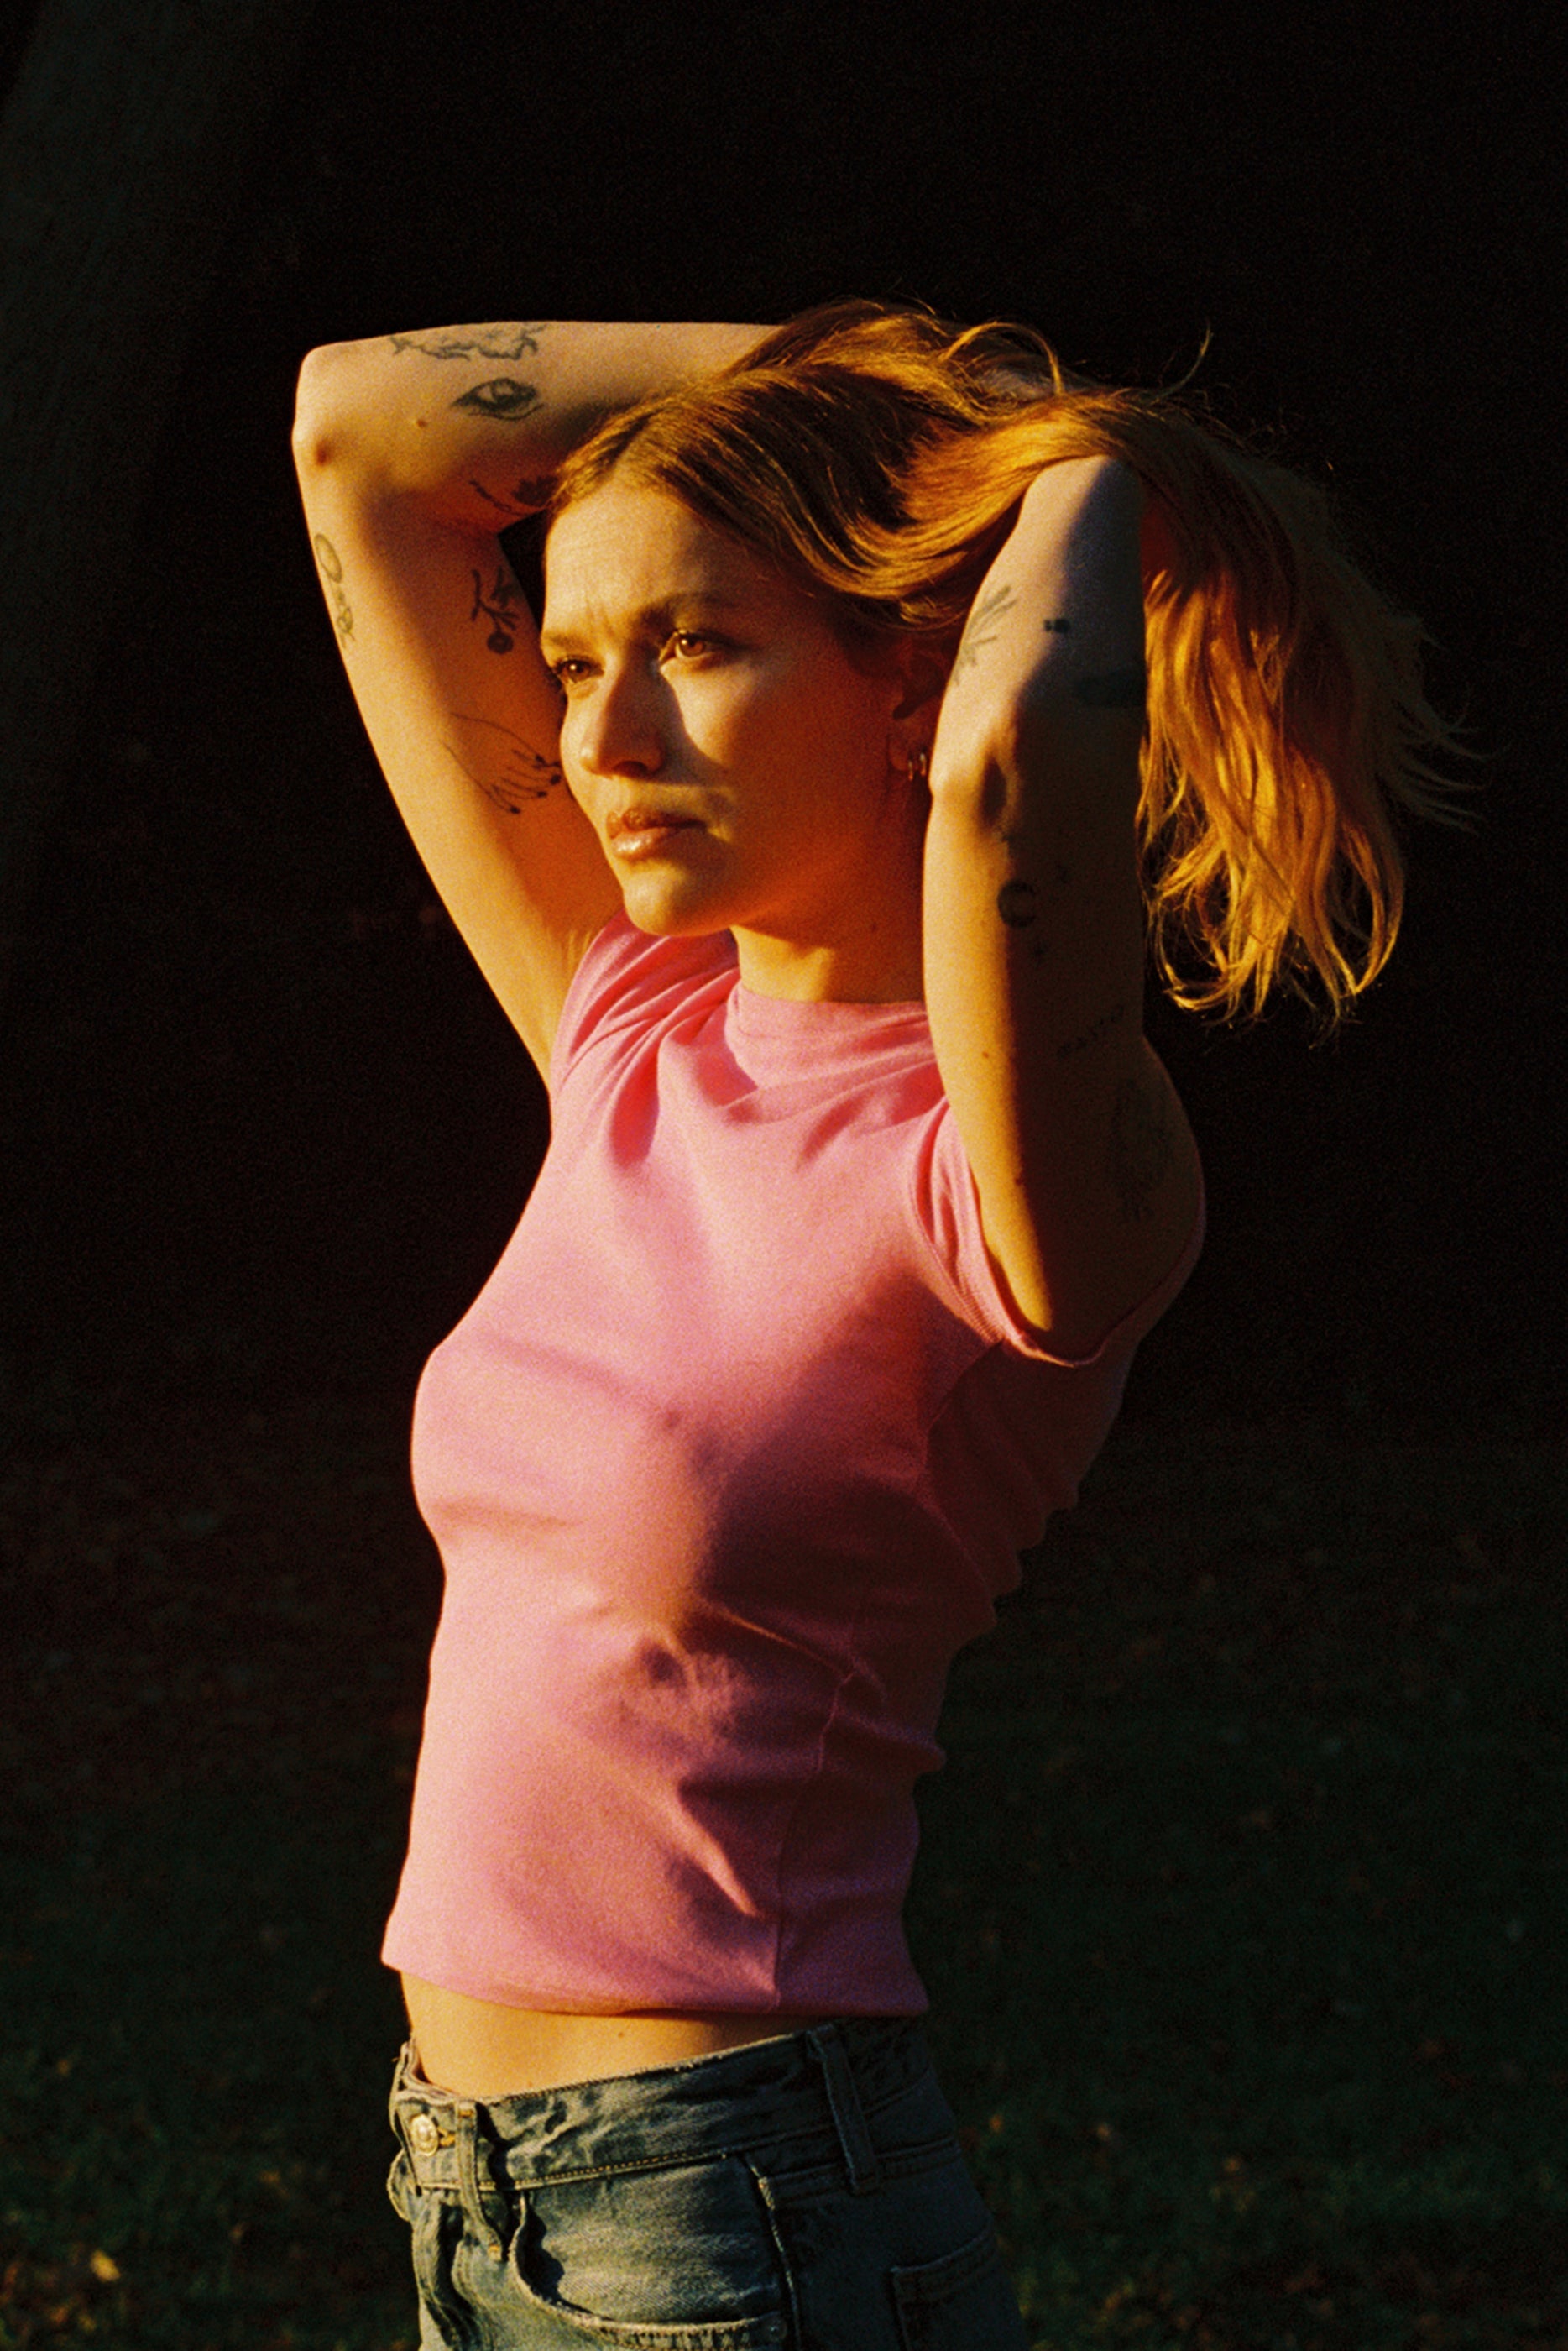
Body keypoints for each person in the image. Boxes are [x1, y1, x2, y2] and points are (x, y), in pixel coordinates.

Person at [291, 303, 1457, 2348]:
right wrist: (914, 381)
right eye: (571, 660)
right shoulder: (632, 1030)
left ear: (906, 673)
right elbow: (358, 434)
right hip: (471, 2190)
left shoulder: (1001, 1178)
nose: (602, 737)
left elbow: (1013, 774)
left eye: (695, 645)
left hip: (733, 2212)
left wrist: (1081, 459)